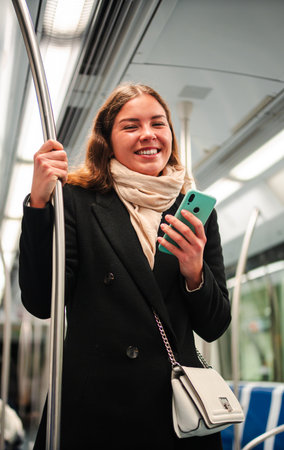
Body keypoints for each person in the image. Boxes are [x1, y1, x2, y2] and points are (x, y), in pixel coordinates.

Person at [19, 83, 231, 449]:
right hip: (98, 406)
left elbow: (215, 325)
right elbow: (41, 301)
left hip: (177, 410)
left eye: (158, 124)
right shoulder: (77, 199)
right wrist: (39, 205)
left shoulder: (194, 209)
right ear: (108, 140)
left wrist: (195, 272)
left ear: (170, 134)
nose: (148, 135)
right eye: (131, 126)